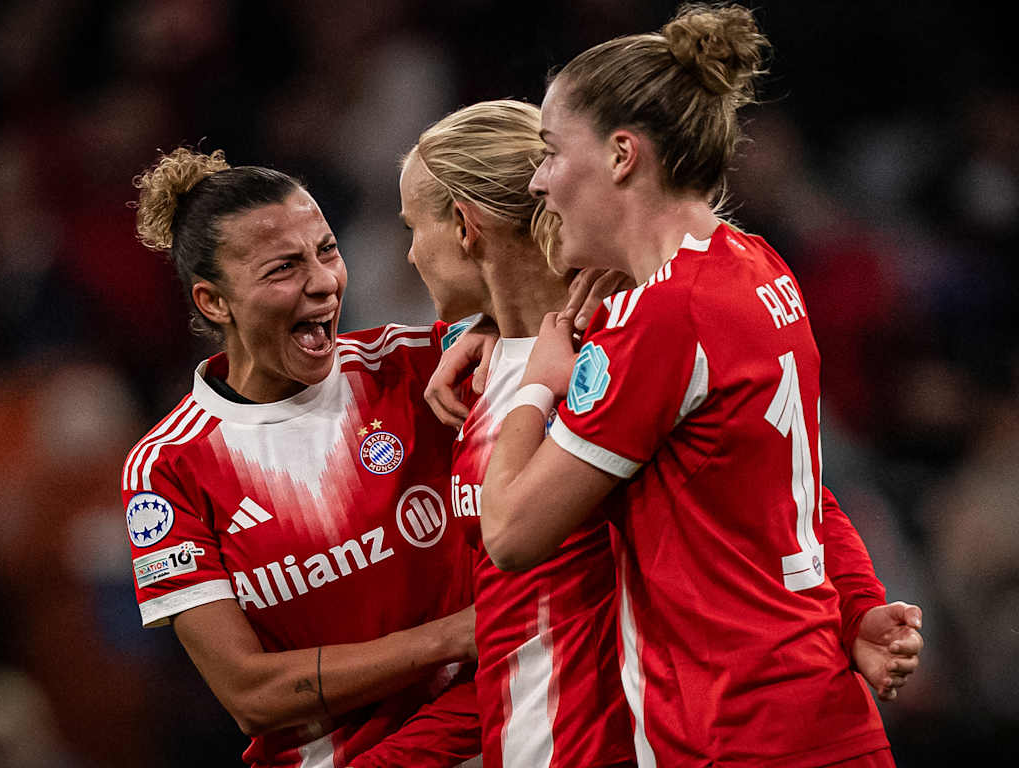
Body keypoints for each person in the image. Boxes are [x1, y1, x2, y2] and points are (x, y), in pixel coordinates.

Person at [477, 4, 922, 766]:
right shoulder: (758, 264)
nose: (539, 179)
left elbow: (510, 534)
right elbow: (803, 496)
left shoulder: (665, 317)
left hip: (734, 736)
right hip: (814, 719)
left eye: (551, 150)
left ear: (622, 155)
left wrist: (535, 383)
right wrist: (855, 610)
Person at [123, 147, 483, 768]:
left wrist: (502, 325)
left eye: (327, 250)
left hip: (490, 738)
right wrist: (450, 637)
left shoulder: (418, 364)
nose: (323, 281)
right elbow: (249, 692)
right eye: (284, 267)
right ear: (214, 302)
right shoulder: (166, 469)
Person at [394, 99, 637, 768]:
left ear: (466, 226)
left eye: (414, 227)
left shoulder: (620, 351)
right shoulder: (468, 371)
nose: (410, 253)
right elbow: (506, 629)